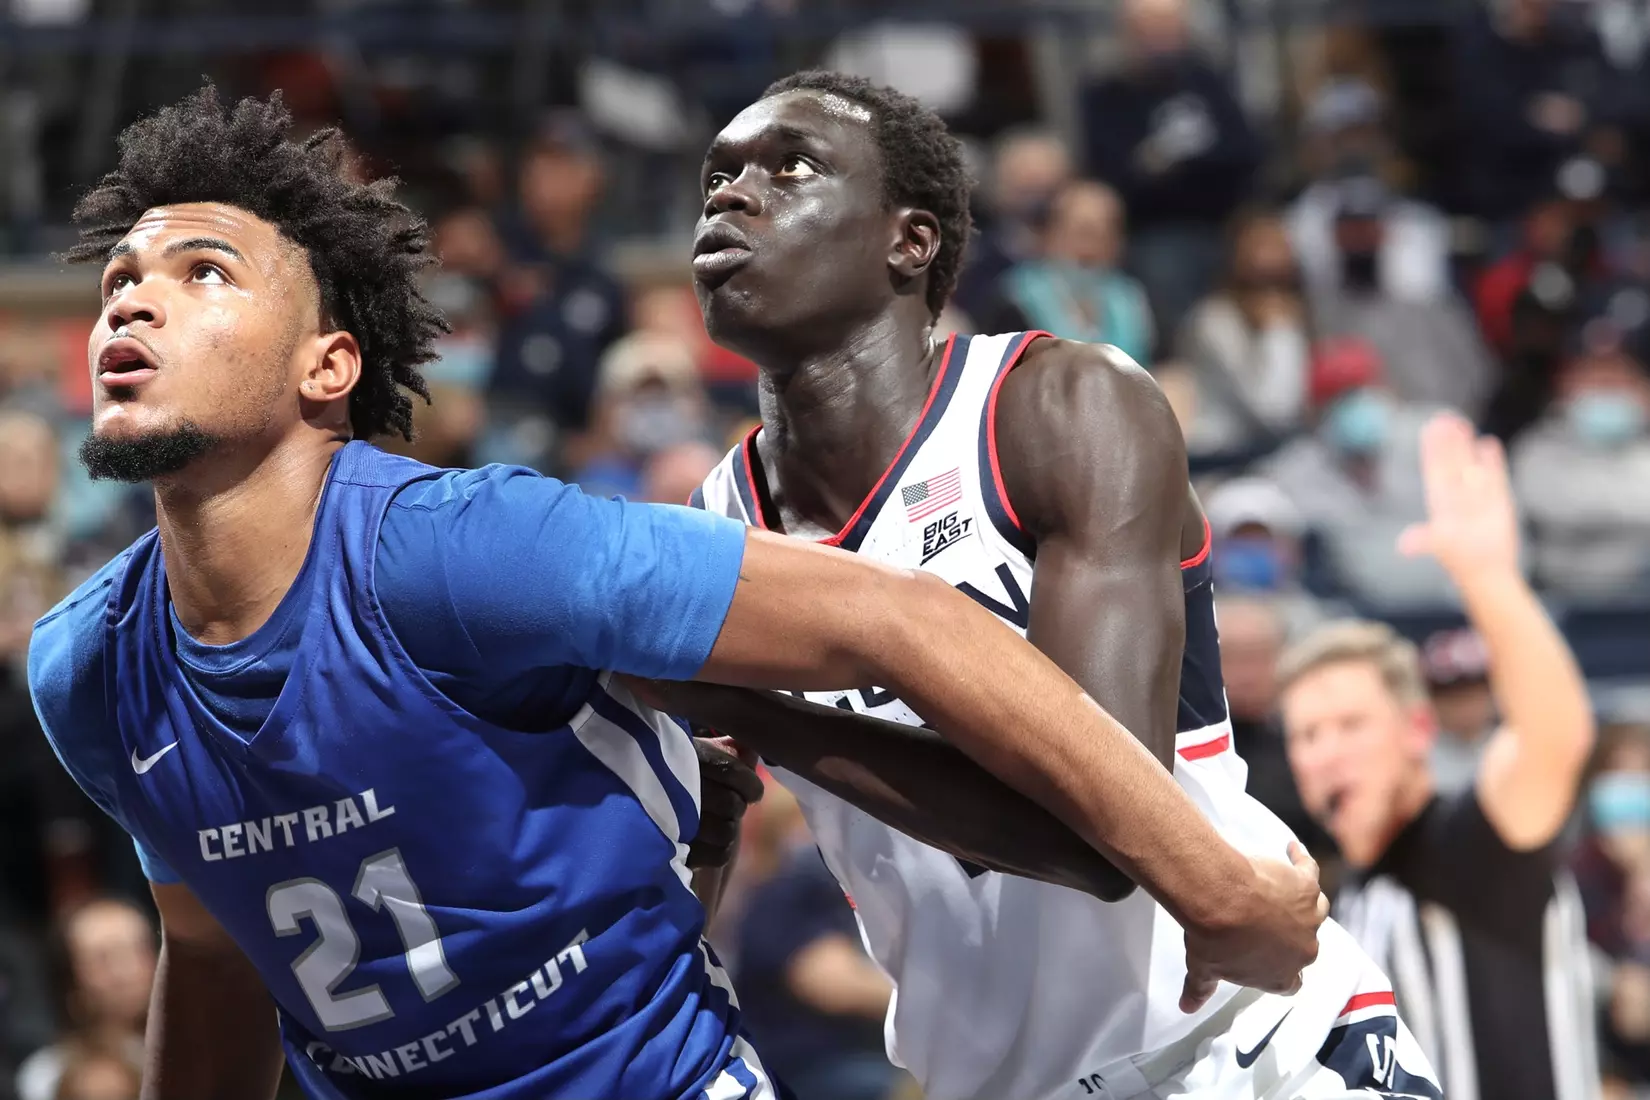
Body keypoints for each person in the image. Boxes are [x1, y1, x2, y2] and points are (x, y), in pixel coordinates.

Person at [25, 87, 1324, 1100]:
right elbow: (207, 953)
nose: (133, 297)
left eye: (203, 271)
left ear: (329, 366)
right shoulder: (87, 668)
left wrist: (1213, 885)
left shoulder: (468, 550)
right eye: (119, 279)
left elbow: (898, 615)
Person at [648, 70, 1439, 1100]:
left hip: (1246, 1047)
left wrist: (753, 706)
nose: (732, 194)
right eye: (718, 175)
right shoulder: (713, 528)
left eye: (788, 167)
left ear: (910, 240)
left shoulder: (1057, 408)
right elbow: (696, 838)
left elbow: (1101, 824)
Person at [1280, 413, 1601, 1100]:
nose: (1326, 752)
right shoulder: (1357, 898)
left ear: (1417, 731)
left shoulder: (1466, 851)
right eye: (1307, 734)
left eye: (1349, 724)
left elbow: (1553, 741)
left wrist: (1489, 580)